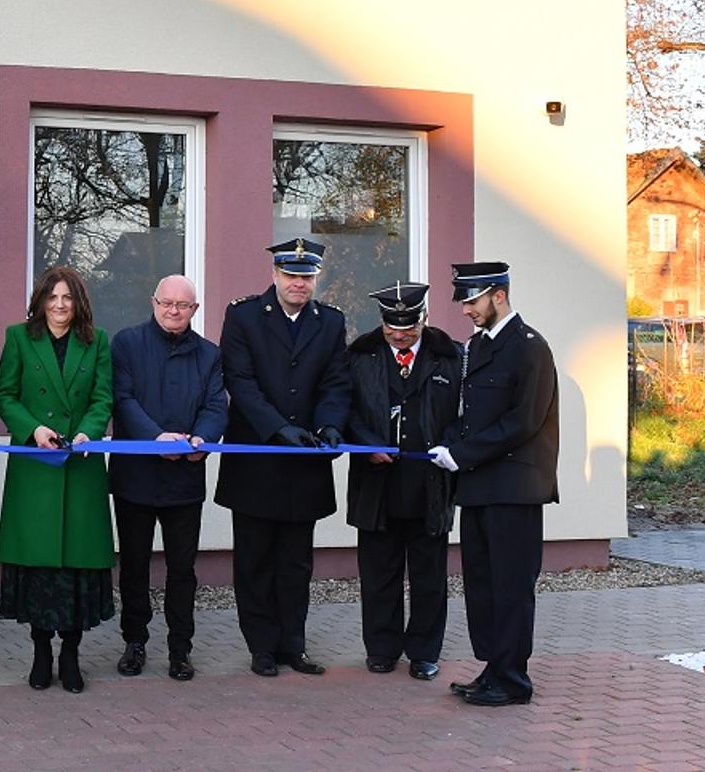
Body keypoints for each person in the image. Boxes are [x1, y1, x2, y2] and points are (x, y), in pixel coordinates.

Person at [215, 238, 351, 678]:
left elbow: (336, 382)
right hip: (257, 459)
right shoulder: (243, 315)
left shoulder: (330, 323)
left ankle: (294, 644)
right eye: (291, 275)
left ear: (316, 279)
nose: (299, 284)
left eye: (307, 276)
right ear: (275, 275)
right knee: (254, 559)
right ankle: (262, 647)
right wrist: (277, 427)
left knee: (296, 561)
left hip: (305, 462)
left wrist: (330, 424)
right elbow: (240, 380)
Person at [430, 262, 559, 707]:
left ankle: (513, 679)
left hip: (515, 489)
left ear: (497, 295)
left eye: (471, 300)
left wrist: (461, 454)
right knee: (483, 583)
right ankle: (494, 669)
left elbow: (522, 421)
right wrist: (448, 444)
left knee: (511, 586)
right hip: (481, 486)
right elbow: (469, 415)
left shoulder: (529, 348)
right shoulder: (479, 347)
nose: (465, 309)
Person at [0, 266, 115, 694]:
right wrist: (33, 430)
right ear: (41, 300)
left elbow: (103, 398)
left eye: (67, 298)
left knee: (77, 568)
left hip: (79, 468)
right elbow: (4, 394)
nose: (60, 306)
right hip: (35, 470)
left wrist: (87, 433)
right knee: (39, 570)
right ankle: (41, 652)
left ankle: (71, 654)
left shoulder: (96, 341)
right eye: (52, 297)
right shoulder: (20, 337)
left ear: (78, 302)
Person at [107, 274, 226, 682]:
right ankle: (134, 642)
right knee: (134, 566)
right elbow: (122, 401)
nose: (173, 311)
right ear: (153, 302)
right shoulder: (126, 344)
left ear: (194, 310)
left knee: (182, 569)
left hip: (185, 478)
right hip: (135, 478)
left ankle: (180, 648)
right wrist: (155, 438)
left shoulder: (209, 355)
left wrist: (202, 438)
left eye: (183, 305)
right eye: (166, 303)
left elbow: (216, 406)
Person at [343, 281, 461, 682]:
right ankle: (381, 648)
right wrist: (365, 444)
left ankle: (425, 652)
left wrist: (449, 445)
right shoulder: (360, 356)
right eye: (392, 328)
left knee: (429, 577)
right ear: (381, 322)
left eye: (409, 328)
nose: (400, 334)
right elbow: (345, 410)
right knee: (378, 574)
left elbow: (463, 414)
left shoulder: (450, 356)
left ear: (423, 320)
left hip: (429, 485)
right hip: (376, 484)